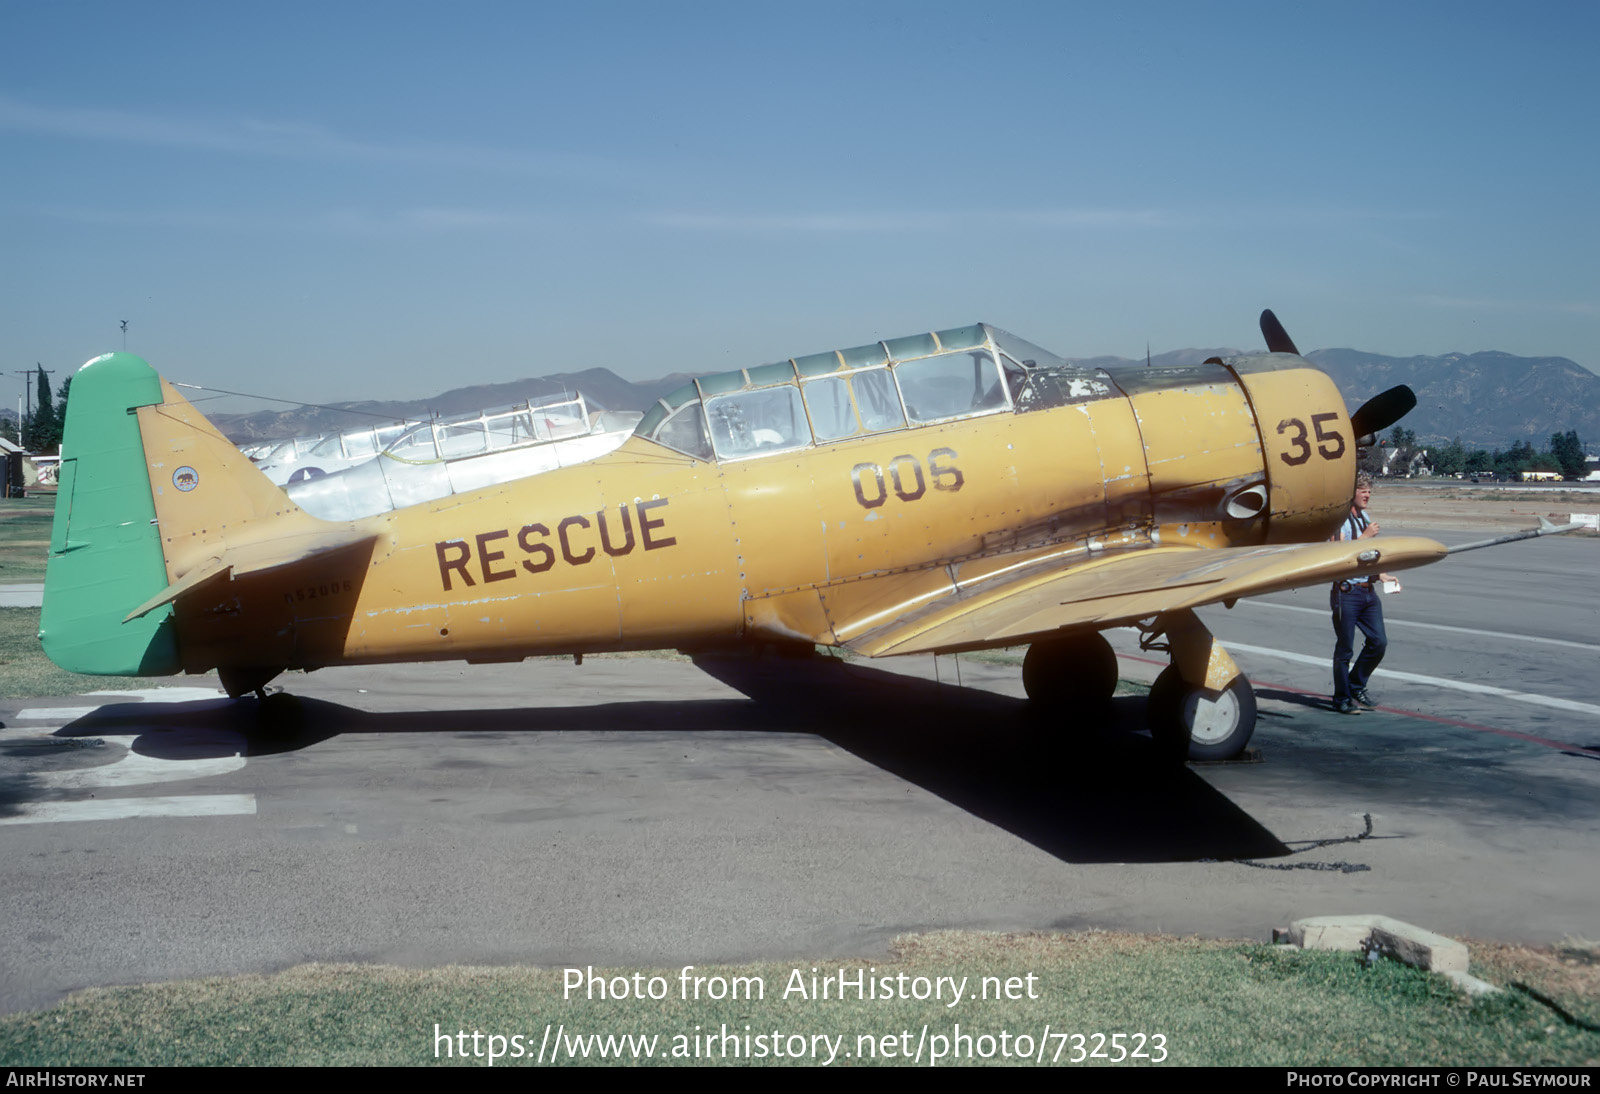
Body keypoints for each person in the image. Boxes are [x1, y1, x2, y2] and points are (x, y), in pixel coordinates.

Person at [1330, 474, 1398, 714]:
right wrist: (1365, 537)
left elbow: (1369, 555)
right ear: (1351, 493)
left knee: (1379, 642)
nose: (1367, 494)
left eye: (1369, 490)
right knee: (1345, 650)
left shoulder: (1365, 518)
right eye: (1362, 490)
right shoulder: (1340, 521)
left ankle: (1356, 685)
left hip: (1367, 592)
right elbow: (1338, 556)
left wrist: (1383, 575)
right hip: (1346, 593)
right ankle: (1341, 699)